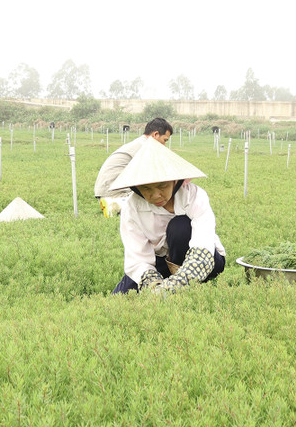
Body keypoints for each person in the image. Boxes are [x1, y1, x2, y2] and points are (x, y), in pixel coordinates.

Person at [109, 139, 226, 295]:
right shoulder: (132, 207)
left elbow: (203, 243)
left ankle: (185, 287)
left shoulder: (194, 196)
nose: (156, 195)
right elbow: (138, 257)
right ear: (136, 188)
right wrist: (153, 285)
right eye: (146, 188)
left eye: (162, 186)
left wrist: (178, 283)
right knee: (122, 296)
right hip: (161, 259)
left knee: (180, 227)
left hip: (205, 258)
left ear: (175, 181)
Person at [94, 117, 173, 217]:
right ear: (156, 134)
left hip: (105, 189)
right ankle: (118, 204)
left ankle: (115, 204)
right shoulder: (147, 147)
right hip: (115, 191)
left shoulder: (140, 143)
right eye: (164, 140)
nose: (164, 145)